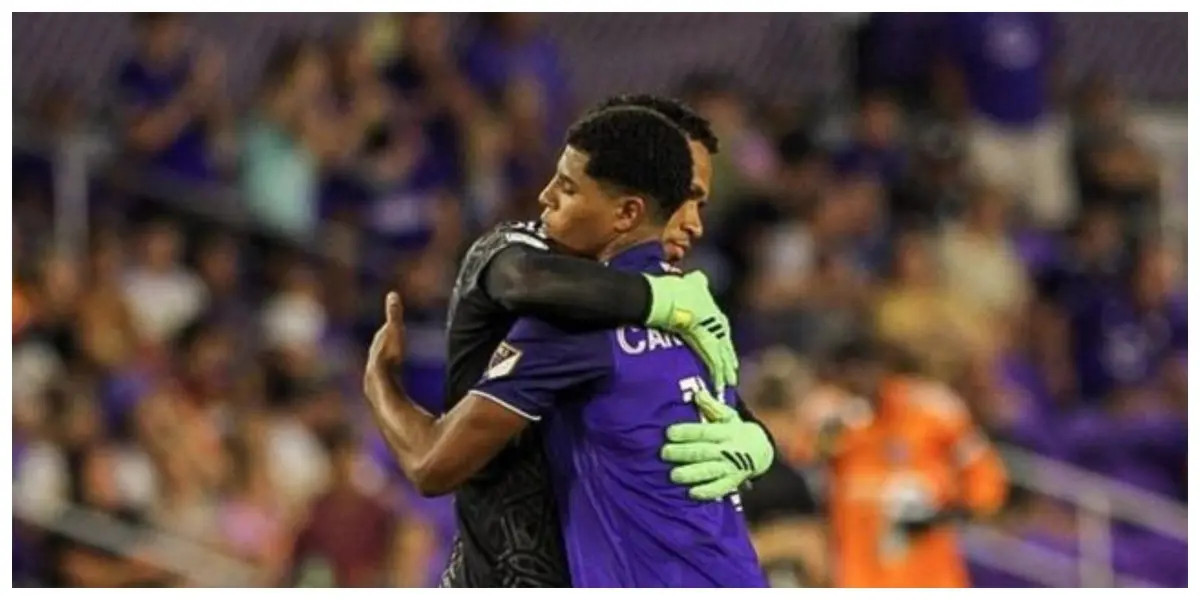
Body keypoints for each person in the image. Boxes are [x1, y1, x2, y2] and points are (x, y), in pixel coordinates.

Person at [364, 107, 770, 587]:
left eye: (696, 199)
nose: (694, 223)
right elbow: (520, 276)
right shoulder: (680, 308)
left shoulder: (670, 315)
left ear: (631, 208)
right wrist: (653, 298)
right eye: (686, 198)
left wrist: (378, 381)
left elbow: (431, 465)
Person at [797, 338, 1008, 587]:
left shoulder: (931, 409)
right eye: (849, 375)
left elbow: (984, 474)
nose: (860, 381)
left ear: (884, 368)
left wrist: (949, 513)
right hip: (858, 575)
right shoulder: (830, 419)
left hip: (931, 576)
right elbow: (799, 468)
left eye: (865, 370)